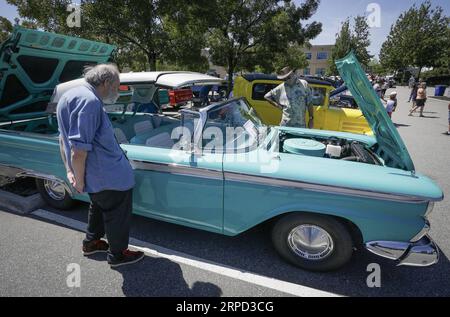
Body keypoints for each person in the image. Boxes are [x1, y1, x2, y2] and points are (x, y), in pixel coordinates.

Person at [56, 63, 144, 268]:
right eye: (116, 86)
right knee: (117, 214)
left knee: (97, 206)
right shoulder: (90, 102)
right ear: (106, 83)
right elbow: (79, 150)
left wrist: (70, 171)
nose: (116, 91)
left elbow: (63, 139)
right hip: (108, 175)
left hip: (95, 176)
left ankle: (91, 243)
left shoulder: (68, 96)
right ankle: (118, 254)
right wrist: (77, 178)